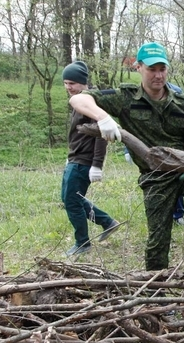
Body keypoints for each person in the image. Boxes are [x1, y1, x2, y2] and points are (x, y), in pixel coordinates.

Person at [68, 42, 184, 280]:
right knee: (158, 236)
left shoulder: (183, 103)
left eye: (162, 69)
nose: (158, 75)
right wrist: (103, 118)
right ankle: (156, 281)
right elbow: (79, 99)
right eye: (152, 69)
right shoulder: (125, 98)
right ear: (139, 68)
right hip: (154, 178)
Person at [61, 61, 121, 256]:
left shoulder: (91, 103)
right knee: (70, 198)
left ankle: (82, 243)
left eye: (72, 83)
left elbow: (102, 135)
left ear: (83, 82)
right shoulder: (79, 102)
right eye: (66, 83)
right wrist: (70, 157)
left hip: (84, 162)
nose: (68, 87)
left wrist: (97, 165)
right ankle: (107, 222)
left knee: (72, 201)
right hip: (75, 159)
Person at [123, 81, 184, 226]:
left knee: (175, 180)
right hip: (148, 149)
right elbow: (131, 125)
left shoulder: (176, 92)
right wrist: (128, 149)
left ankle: (178, 215)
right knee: (154, 181)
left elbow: (183, 122)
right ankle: (160, 215)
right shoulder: (136, 95)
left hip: (171, 147)